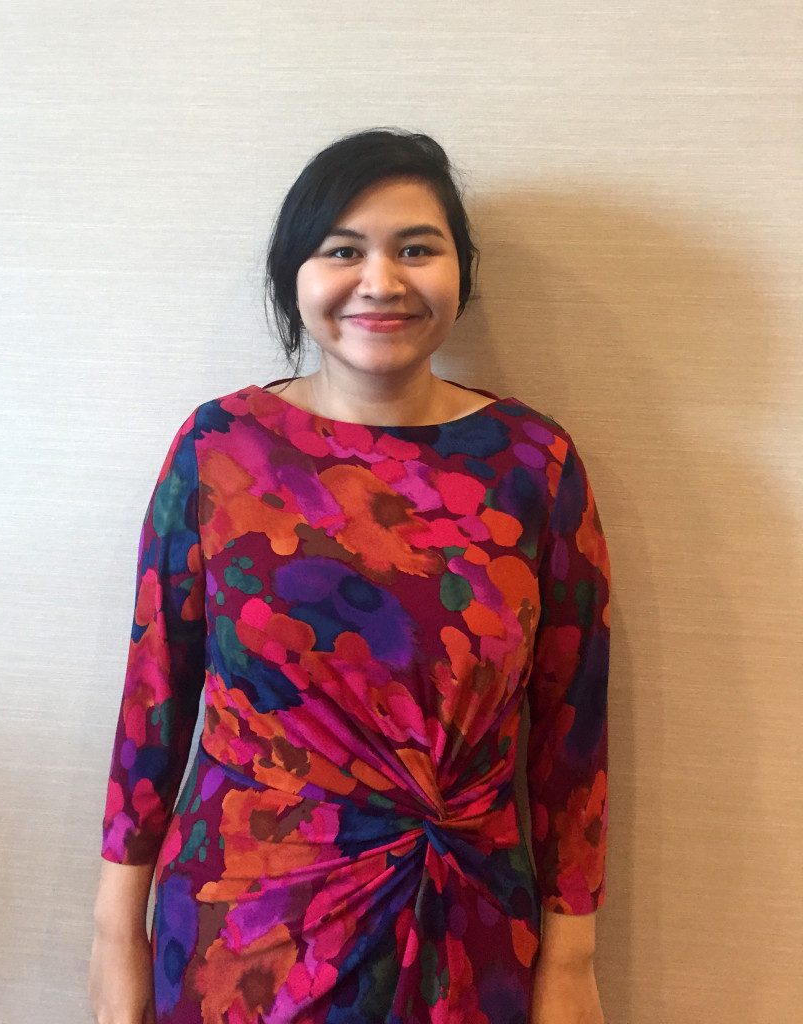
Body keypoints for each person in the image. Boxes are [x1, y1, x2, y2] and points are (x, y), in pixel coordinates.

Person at [89, 128, 611, 1024]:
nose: (380, 281)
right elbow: (154, 701)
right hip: (245, 935)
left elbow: (573, 733)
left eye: (416, 249)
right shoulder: (222, 449)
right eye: (342, 251)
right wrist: (113, 933)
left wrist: (573, 959)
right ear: (294, 276)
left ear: (460, 272)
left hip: (469, 930)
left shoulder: (533, 464)